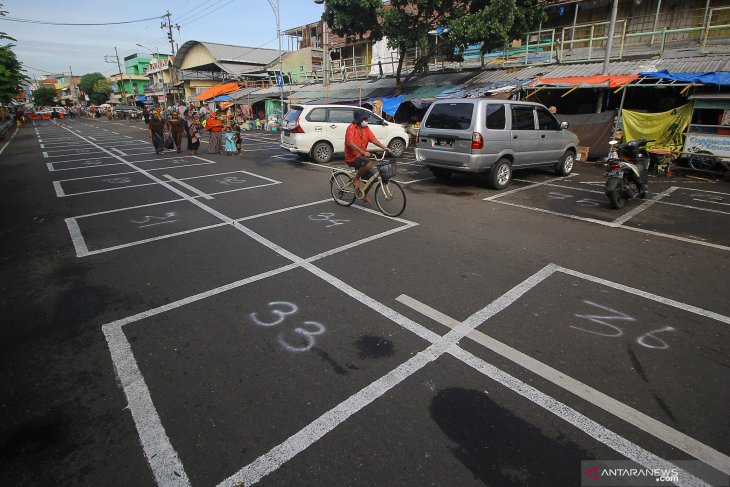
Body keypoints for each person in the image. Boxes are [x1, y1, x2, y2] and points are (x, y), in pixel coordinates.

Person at [345, 110, 392, 204]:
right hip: (352, 157)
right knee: (369, 163)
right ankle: (356, 178)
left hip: (362, 158)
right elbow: (350, 143)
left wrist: (384, 148)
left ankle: (364, 196)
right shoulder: (351, 128)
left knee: (373, 178)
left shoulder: (366, 128)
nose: (367, 120)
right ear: (359, 120)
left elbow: (373, 139)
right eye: (365, 119)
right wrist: (363, 151)